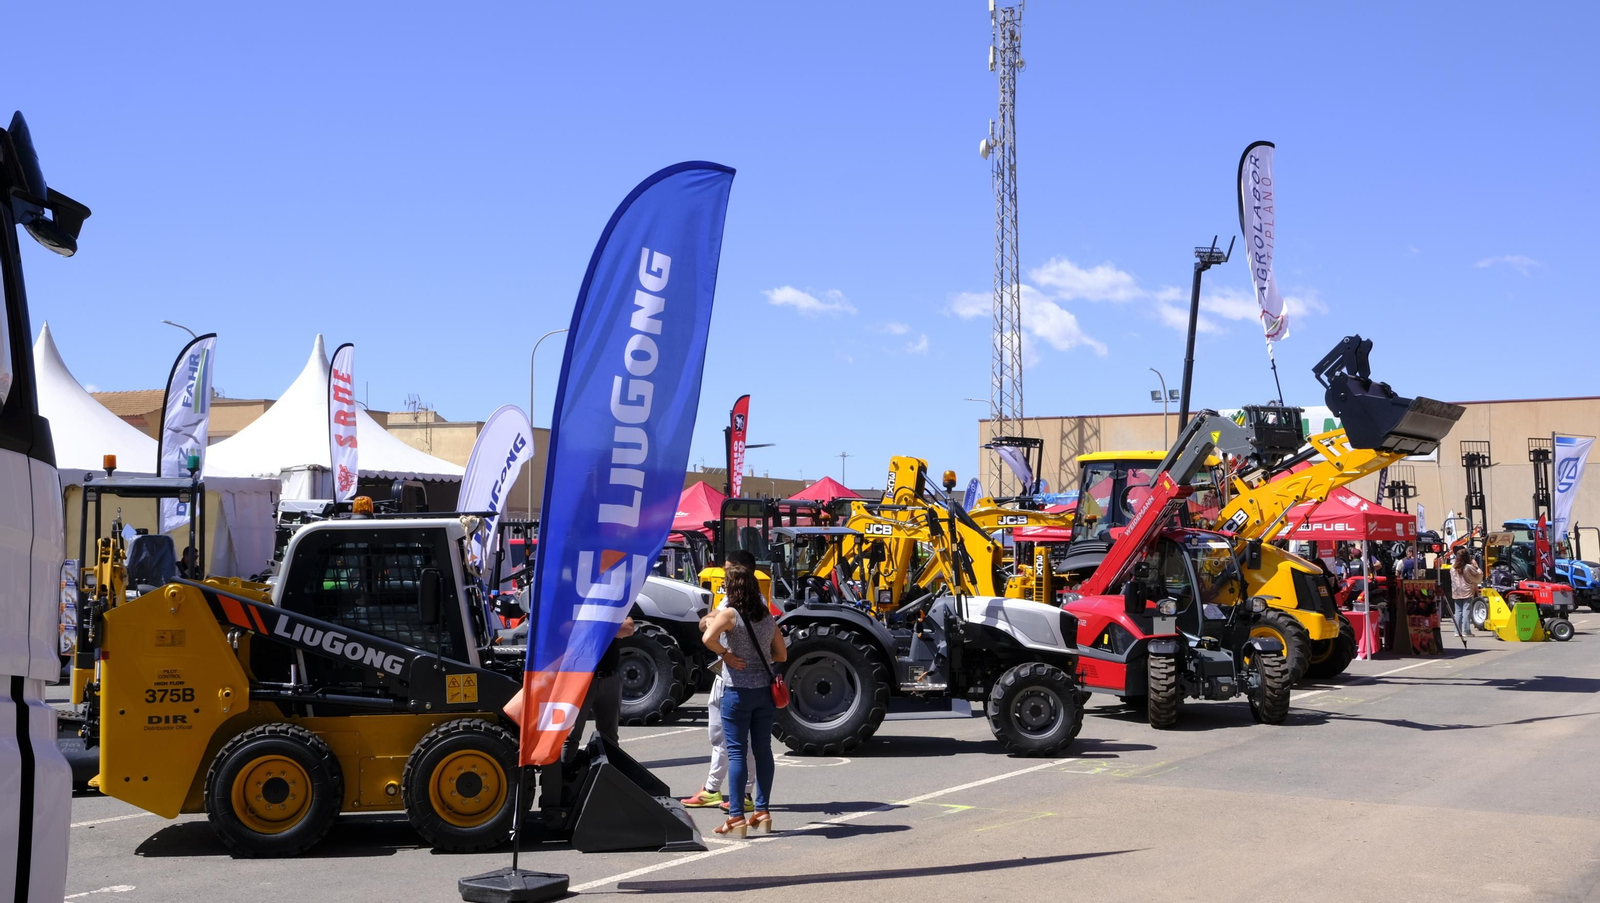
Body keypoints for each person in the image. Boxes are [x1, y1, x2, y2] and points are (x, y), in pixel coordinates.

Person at [702, 559, 786, 837]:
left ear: (732, 588)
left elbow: (707, 639)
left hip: (736, 691)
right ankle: (762, 811)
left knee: (737, 752)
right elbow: (781, 655)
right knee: (763, 751)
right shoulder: (766, 617)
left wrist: (727, 655)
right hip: (764, 691)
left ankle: (736, 816)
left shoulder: (729, 615)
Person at [537, 615, 635, 827]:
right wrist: (607, 626)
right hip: (580, 678)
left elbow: (628, 628)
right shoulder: (581, 599)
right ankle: (561, 796)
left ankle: (609, 791)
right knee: (570, 737)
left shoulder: (610, 601)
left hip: (610, 678)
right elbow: (566, 628)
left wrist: (596, 625)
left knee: (609, 739)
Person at [680, 550, 758, 813]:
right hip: (724, 673)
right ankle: (712, 790)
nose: (723, 573)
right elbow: (707, 622)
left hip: (739, 676)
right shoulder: (732, 598)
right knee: (719, 735)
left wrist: (720, 640)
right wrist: (712, 621)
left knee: (740, 739)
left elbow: (710, 629)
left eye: (727, 569)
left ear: (740, 571)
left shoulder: (751, 601)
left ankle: (746, 793)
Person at [1449, 548, 1482, 639]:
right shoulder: (1468, 567)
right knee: (1466, 610)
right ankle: (1466, 631)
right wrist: (1476, 566)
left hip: (1456, 591)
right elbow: (1479, 574)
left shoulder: (1453, 567)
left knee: (1458, 611)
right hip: (1467, 590)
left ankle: (1457, 631)